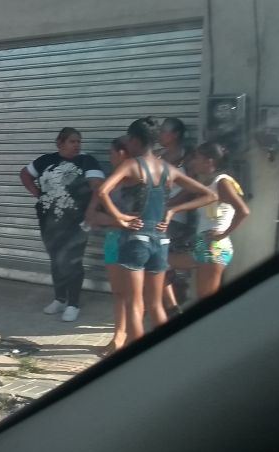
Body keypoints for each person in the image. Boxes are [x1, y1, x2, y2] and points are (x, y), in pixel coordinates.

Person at [92, 117, 216, 345]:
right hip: (161, 240)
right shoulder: (168, 168)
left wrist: (119, 217)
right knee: (156, 303)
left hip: (136, 239)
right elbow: (210, 195)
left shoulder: (132, 165)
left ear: (134, 140)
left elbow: (103, 192)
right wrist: (172, 210)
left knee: (134, 302)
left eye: (129, 139)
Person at [19, 127, 105, 322]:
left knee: (73, 261)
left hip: (76, 222)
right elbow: (24, 174)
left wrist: (91, 213)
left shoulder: (86, 161)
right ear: (60, 143)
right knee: (56, 259)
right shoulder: (45, 160)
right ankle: (60, 298)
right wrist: (37, 194)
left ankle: (73, 304)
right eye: (72, 141)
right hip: (48, 221)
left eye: (78, 141)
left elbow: (98, 188)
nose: (77, 145)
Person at [84, 137, 132, 355]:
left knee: (136, 293)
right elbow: (91, 215)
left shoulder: (139, 182)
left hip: (137, 241)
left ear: (122, 154)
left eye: (112, 153)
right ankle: (119, 334)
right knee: (119, 292)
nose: (109, 158)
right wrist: (119, 220)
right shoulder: (107, 183)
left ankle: (132, 333)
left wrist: (114, 218)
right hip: (115, 239)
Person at [188, 142, 250, 300]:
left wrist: (223, 234)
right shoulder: (206, 183)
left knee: (206, 297)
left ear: (209, 161)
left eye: (197, 157)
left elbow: (243, 211)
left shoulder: (222, 182)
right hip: (204, 242)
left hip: (214, 245)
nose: (193, 161)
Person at [156, 117, 194, 312]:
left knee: (163, 259)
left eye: (164, 131)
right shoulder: (160, 157)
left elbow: (191, 188)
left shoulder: (188, 156)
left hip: (176, 218)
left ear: (175, 134)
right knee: (162, 259)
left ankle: (171, 303)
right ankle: (169, 304)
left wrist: (169, 205)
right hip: (159, 216)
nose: (160, 134)